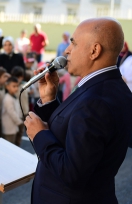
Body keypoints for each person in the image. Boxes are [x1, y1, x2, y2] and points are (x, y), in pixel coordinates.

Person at [24, 17, 132, 203]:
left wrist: (39, 135)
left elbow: (72, 172)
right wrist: (49, 100)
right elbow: (74, 131)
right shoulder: (112, 86)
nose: (67, 50)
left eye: (73, 43)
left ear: (94, 51)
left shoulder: (96, 101)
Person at [11, 66, 29, 146]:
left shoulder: (24, 84)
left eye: (19, 77)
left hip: (25, 112)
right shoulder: (13, 86)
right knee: (14, 133)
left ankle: (17, 146)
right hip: (16, 112)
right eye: (16, 77)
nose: (18, 79)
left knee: (20, 133)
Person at [2, 77, 23, 144]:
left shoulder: (13, 96)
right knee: (9, 144)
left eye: (17, 86)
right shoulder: (8, 98)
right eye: (14, 86)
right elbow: (12, 112)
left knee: (14, 142)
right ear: (7, 87)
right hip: (9, 127)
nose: (16, 88)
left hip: (14, 126)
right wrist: (19, 122)